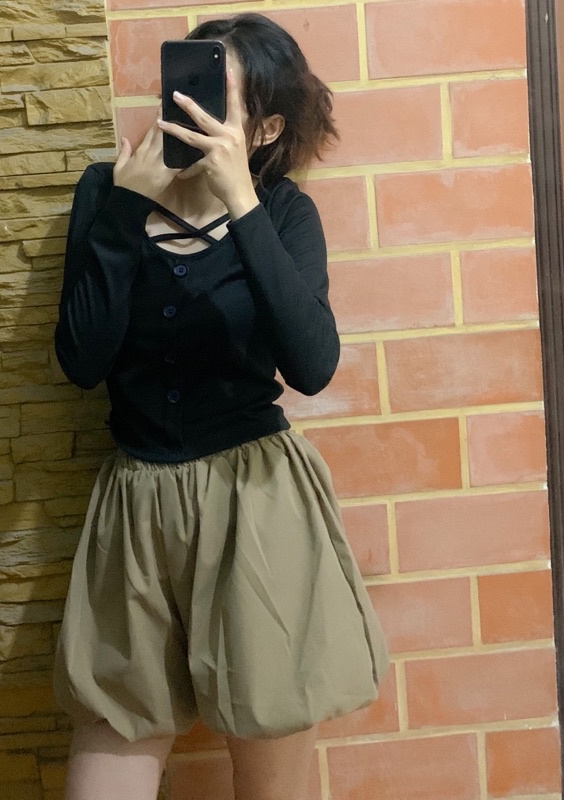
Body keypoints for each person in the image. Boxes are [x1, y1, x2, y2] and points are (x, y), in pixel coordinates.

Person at [52, 12, 389, 800]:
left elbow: (312, 365)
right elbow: (80, 361)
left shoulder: (284, 214)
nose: (189, 108)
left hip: (259, 508)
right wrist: (123, 214)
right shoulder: (108, 191)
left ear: (266, 128)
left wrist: (242, 201)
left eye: (218, 98)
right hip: (137, 512)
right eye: (185, 87)